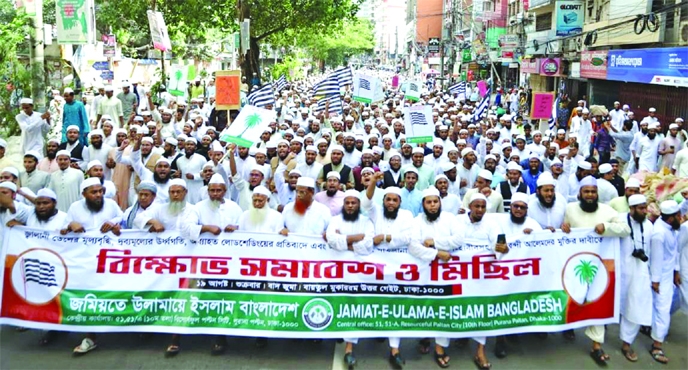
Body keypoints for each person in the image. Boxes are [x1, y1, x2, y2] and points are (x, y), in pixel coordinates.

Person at [561, 176, 630, 366]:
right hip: (574, 266)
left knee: (598, 302)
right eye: (587, 192)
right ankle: (570, 327)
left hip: (600, 268)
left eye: (593, 192)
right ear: (580, 194)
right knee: (572, 298)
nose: (590, 195)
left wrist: (606, 227)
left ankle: (596, 345)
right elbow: (564, 229)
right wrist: (563, 227)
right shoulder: (570, 209)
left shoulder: (608, 211)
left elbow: (625, 229)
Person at [62, 177, 123, 355]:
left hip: (108, 260)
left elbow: (121, 217)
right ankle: (90, 336)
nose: (98, 195)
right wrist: (70, 224)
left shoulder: (110, 205)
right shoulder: (74, 207)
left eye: (100, 191)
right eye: (94, 192)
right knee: (88, 296)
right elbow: (63, 228)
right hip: (84, 261)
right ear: (84, 194)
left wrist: (114, 223)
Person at [362, 174, 414, 368]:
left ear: (400, 202)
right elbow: (366, 201)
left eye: (394, 200)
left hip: (399, 267)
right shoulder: (375, 212)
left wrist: (385, 237)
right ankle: (375, 332)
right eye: (388, 199)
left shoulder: (407, 215)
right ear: (383, 201)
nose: (391, 203)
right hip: (376, 266)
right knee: (374, 302)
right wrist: (374, 182)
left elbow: (408, 236)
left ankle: (395, 349)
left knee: (395, 306)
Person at [409, 187, 461, 368]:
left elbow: (458, 239)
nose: (432, 206)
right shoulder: (417, 221)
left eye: (435, 202)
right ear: (423, 204)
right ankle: (424, 337)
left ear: (440, 202)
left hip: (447, 274)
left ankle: (440, 348)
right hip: (424, 273)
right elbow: (413, 247)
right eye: (428, 202)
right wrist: (438, 253)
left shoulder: (450, 219)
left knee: (444, 308)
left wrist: (434, 243)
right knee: (425, 306)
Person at [326, 190, 374, 368]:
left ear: (358, 205)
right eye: (348, 203)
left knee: (353, 305)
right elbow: (331, 239)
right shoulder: (335, 220)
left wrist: (343, 241)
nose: (351, 206)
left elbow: (368, 244)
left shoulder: (366, 221)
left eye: (354, 203)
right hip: (336, 271)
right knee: (337, 302)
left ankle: (349, 348)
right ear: (343, 205)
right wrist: (355, 239)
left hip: (358, 271)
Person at [618, 194, 653, 363]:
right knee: (609, 307)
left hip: (640, 274)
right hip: (618, 273)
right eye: (640, 208)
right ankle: (597, 343)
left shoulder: (649, 226)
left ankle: (626, 344)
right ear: (631, 209)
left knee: (635, 308)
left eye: (645, 207)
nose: (644, 211)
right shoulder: (619, 221)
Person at [648, 200, 682, 365]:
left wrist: (676, 271)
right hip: (660, 278)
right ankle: (657, 347)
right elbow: (656, 260)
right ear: (671, 218)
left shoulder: (671, 228)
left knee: (665, 308)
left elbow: (674, 251)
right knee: (662, 310)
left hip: (669, 275)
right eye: (678, 216)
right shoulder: (659, 234)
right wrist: (656, 282)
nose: (681, 218)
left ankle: (650, 329)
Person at [176, 138, 208, 204]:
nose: (189, 146)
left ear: (195, 147)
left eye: (191, 144)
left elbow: (206, 174)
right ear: (184, 146)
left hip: (197, 188)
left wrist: (194, 176)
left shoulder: (201, 159)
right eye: (187, 144)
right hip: (184, 188)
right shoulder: (179, 160)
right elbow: (179, 174)